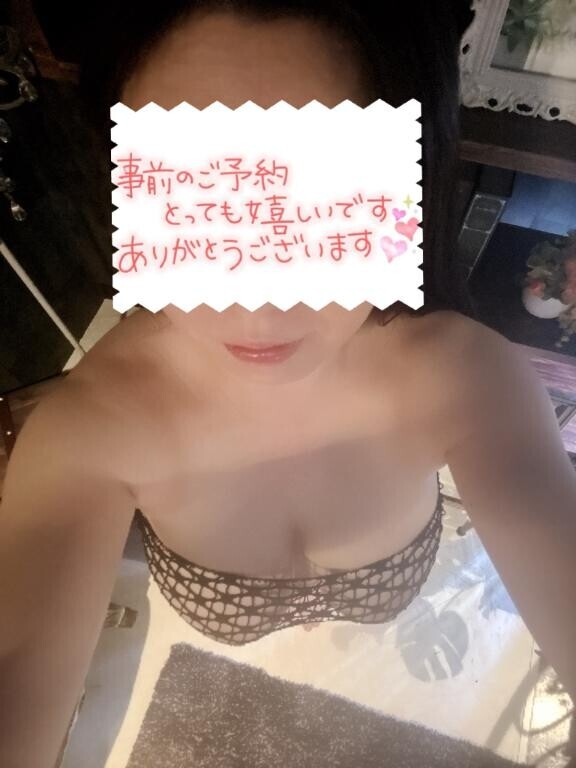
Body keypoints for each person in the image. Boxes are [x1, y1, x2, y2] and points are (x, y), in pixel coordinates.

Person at [2, 2, 576, 767]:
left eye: (326, 210)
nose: (259, 306)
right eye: (196, 205)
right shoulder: (91, 432)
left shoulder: (465, 380)